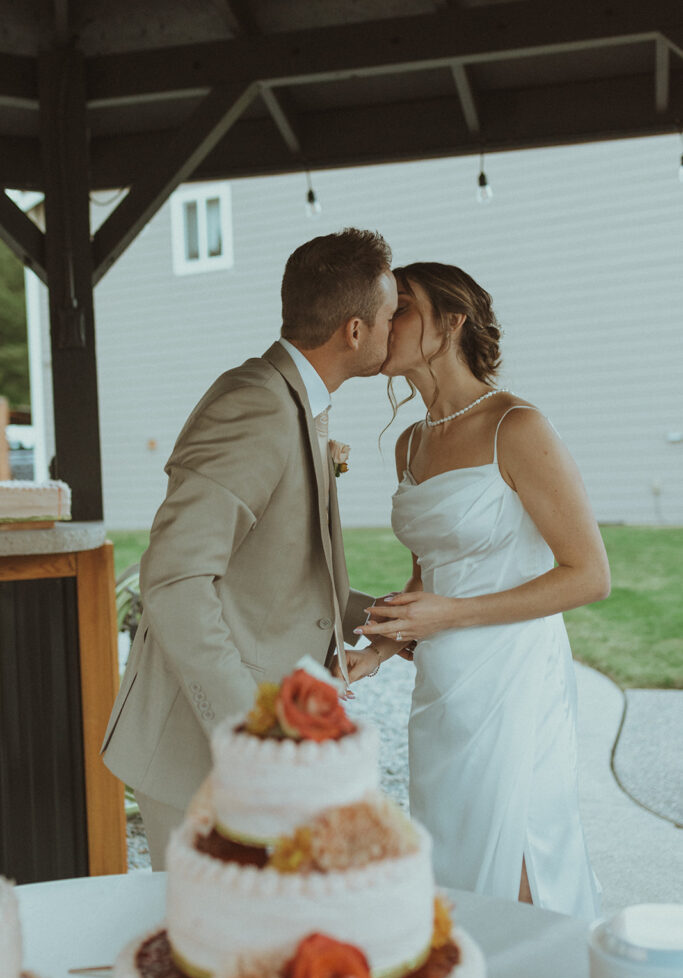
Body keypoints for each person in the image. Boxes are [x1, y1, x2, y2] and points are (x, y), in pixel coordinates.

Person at [101, 228, 398, 868]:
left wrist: (385, 617)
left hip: (262, 754)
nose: (395, 326)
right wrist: (251, 729)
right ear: (354, 331)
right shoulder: (255, 406)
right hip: (202, 758)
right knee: (215, 953)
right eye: (391, 313)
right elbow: (175, 582)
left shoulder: (300, 402)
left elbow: (274, 573)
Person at [346, 262, 609, 918]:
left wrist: (453, 615)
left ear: (452, 322)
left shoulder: (514, 427)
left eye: (401, 306)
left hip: (513, 677)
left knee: (516, 849)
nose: (386, 321)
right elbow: (426, 575)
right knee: (454, 854)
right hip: (442, 685)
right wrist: (379, 647)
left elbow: (589, 575)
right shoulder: (410, 443)